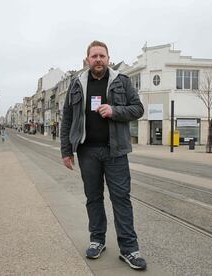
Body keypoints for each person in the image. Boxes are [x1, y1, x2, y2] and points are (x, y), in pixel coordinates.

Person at [60, 40, 146, 270]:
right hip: (87, 151)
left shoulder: (122, 81)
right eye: (94, 56)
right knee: (93, 198)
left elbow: (138, 109)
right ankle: (97, 240)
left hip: (115, 151)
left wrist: (115, 110)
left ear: (108, 58)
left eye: (102, 56)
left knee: (121, 199)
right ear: (87, 59)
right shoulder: (77, 83)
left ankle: (129, 249)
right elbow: (67, 117)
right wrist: (66, 151)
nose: (98, 59)